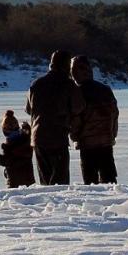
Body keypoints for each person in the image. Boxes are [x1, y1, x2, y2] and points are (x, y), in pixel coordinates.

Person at [25, 50, 85, 185]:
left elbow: (29, 109)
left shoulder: (36, 84)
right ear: (66, 65)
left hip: (38, 137)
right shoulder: (68, 84)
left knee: (45, 181)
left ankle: (48, 205)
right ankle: (59, 206)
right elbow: (79, 107)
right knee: (60, 181)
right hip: (58, 137)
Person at [70, 54, 119, 184]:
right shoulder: (105, 89)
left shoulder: (77, 92)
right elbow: (114, 114)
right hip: (106, 141)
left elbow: (76, 118)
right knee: (109, 179)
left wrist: (74, 136)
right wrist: (112, 134)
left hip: (87, 143)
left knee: (90, 182)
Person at [0, 109, 35, 187]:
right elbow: (29, 134)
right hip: (29, 181)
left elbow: (4, 161)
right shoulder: (26, 140)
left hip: (14, 183)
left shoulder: (10, 147)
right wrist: (27, 128)